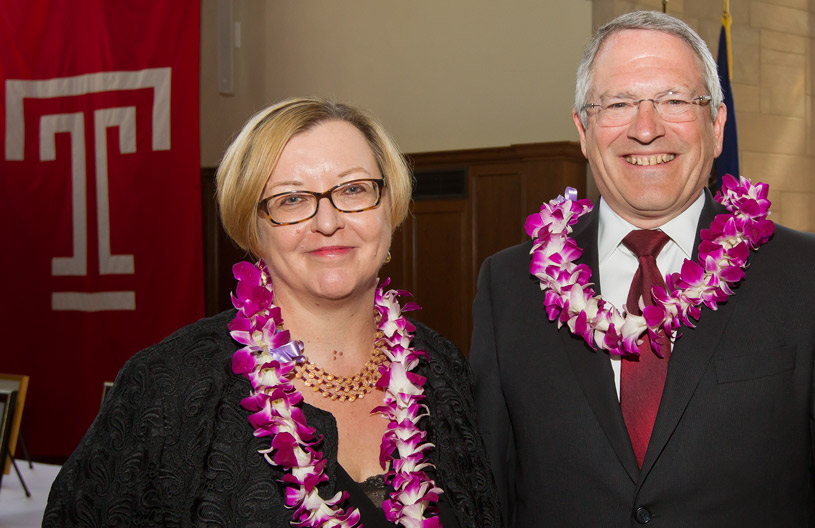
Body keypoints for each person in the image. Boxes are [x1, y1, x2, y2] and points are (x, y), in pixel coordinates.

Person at [470, 11, 815, 528]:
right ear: (583, 131)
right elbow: (487, 498)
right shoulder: (509, 286)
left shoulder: (810, 278)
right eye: (618, 103)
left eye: (675, 101)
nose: (646, 128)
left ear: (716, 126)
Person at [43, 97, 500, 527]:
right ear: (253, 227)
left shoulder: (441, 370)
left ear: (389, 206)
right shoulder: (170, 386)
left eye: (355, 189)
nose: (328, 221)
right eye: (292, 199)